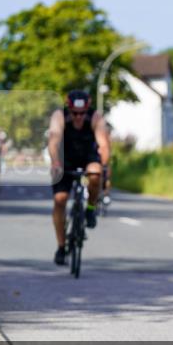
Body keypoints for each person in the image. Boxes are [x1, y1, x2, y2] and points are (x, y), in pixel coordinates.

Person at [47, 90, 110, 265]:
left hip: (87, 156)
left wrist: (104, 166)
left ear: (88, 109)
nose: (78, 117)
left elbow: (104, 145)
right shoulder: (59, 116)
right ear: (69, 108)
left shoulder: (95, 118)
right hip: (64, 158)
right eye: (75, 113)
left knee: (95, 174)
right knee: (60, 200)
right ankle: (61, 246)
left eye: (82, 114)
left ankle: (90, 208)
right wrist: (56, 163)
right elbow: (54, 140)